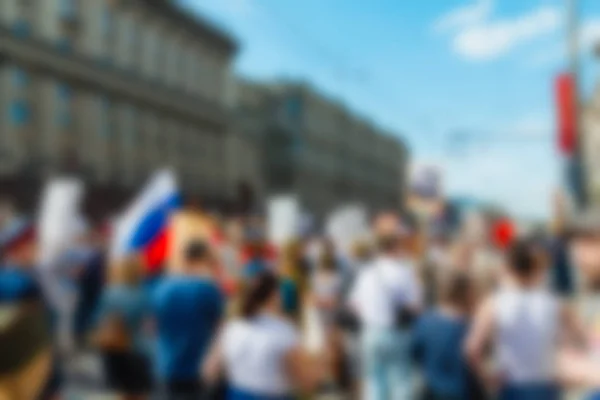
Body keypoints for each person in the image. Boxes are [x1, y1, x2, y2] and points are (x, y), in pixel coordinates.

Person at [466, 239, 581, 400]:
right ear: (537, 269)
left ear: (509, 267)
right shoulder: (556, 304)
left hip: (511, 385)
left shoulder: (493, 304)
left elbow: (471, 349)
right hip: (546, 384)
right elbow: (579, 339)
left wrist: (486, 378)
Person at [203, 271, 323, 399]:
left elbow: (209, 371)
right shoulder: (283, 332)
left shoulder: (233, 328)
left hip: (236, 394)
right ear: (275, 296)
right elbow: (306, 380)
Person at [349, 213, 422, 400]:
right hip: (396, 332)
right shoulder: (405, 272)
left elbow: (354, 304)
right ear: (395, 246)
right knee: (400, 383)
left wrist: (371, 313)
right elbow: (415, 307)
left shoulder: (367, 271)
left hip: (371, 332)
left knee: (374, 383)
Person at [153, 240, 225, 399]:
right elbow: (220, 330)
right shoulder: (209, 289)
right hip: (198, 366)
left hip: (167, 363)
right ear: (203, 260)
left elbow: (152, 326)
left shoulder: (163, 287)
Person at [412, 270, 481, 400]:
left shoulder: (425, 322)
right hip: (461, 391)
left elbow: (416, 354)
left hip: (432, 390)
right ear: (467, 294)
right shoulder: (468, 327)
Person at [93, 256, 153, 400]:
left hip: (114, 348)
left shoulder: (109, 293)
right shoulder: (145, 295)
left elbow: (97, 319)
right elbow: (150, 325)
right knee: (139, 392)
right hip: (138, 349)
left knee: (122, 392)